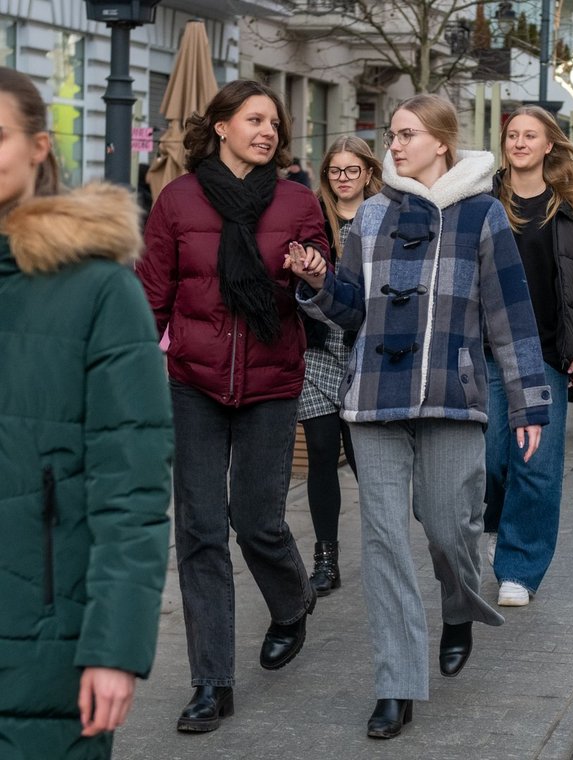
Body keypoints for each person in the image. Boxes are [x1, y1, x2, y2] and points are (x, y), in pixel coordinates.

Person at [289, 94, 551, 739]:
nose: (394, 147)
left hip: (452, 396)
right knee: (381, 540)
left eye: (406, 135)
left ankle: (458, 606)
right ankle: (397, 682)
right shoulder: (372, 216)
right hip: (374, 397)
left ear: (441, 141)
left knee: (450, 527)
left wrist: (528, 400)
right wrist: (319, 281)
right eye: (392, 136)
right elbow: (350, 310)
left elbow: (508, 316)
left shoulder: (483, 216)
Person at [138, 80, 326, 733]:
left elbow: (326, 289)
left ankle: (291, 600)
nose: (267, 131)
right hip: (193, 380)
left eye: (274, 122)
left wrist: (313, 273)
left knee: (258, 521)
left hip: (272, 381)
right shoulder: (177, 200)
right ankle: (211, 683)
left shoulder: (300, 201)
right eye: (254, 119)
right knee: (198, 531)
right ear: (220, 126)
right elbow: (152, 295)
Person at [0, 67, 173, 759]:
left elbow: (131, 485)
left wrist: (116, 647)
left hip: (44, 648)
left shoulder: (99, 290)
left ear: (40, 147)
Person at [486, 105, 573, 606]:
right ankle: (493, 523)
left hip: (545, 355)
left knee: (535, 465)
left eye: (528, 135)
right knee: (491, 459)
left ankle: (519, 568)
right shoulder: (483, 200)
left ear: (548, 145)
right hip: (489, 352)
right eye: (512, 135)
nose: (518, 143)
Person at [300, 136, 381, 597]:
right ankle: (326, 559)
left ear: (368, 173)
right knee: (321, 454)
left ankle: (381, 549)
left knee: (368, 461)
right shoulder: (312, 218)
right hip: (316, 349)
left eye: (353, 170)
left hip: (366, 352)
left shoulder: (384, 217)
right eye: (336, 171)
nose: (344, 178)